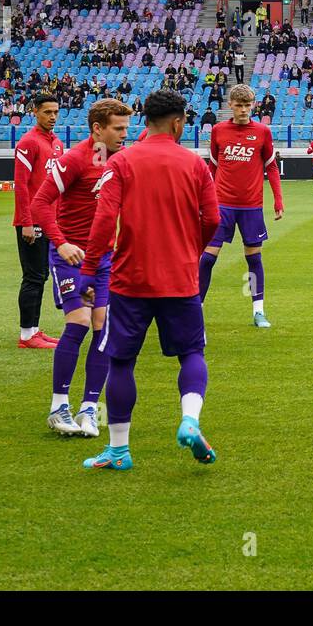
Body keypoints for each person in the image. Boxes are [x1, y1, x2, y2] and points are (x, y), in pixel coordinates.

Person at [76, 90, 221, 470]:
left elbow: (104, 221)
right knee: (191, 353)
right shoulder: (195, 164)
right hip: (180, 278)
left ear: (146, 121)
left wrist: (90, 269)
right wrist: (191, 249)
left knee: (121, 361)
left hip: (131, 279)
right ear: (178, 123)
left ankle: (119, 451)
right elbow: (213, 220)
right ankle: (190, 420)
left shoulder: (122, 162)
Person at [30, 98, 132, 438]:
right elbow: (39, 203)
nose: (123, 134)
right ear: (97, 129)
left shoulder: (122, 160)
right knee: (80, 321)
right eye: (118, 128)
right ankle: (59, 406)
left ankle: (89, 407)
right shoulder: (73, 159)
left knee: (103, 326)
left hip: (105, 257)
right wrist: (60, 242)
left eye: (126, 128)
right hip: (70, 256)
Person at [198, 84, 284, 328]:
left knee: (253, 259)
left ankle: (258, 311)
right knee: (206, 259)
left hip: (251, 206)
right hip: (221, 205)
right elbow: (212, 168)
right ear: (231, 106)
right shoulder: (218, 131)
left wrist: (278, 198)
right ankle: (197, 309)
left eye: (248, 105)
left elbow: (271, 167)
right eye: (239, 105)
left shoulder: (262, 132)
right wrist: (203, 200)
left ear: (253, 105)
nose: (244, 110)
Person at [13, 93, 65, 350]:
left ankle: (34, 329)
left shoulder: (56, 142)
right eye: (47, 112)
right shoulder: (28, 142)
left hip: (48, 220)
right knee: (33, 277)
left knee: (41, 275)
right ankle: (26, 336)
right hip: (32, 221)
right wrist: (25, 222)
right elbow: (21, 185)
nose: (52, 117)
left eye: (55, 112)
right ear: (35, 111)